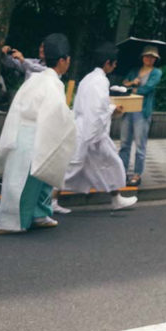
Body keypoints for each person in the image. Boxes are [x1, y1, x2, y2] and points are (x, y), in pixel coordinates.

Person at [0, 33, 77, 234]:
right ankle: (9, 223)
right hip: (35, 137)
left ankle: (37, 215)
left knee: (32, 180)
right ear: (63, 60)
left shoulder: (37, 79)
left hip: (22, 133)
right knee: (26, 183)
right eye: (68, 59)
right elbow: (56, 114)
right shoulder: (52, 83)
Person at [62, 43, 139, 211]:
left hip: (87, 129)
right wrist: (113, 109)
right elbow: (97, 110)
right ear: (107, 63)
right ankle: (49, 199)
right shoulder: (100, 82)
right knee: (77, 166)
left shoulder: (89, 78)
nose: (115, 65)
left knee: (104, 163)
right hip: (91, 131)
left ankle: (116, 197)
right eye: (114, 62)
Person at [119, 45, 162, 185]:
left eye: (152, 57)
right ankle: (122, 171)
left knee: (140, 144)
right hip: (128, 110)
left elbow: (148, 88)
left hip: (142, 112)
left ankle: (137, 174)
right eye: (146, 56)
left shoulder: (156, 72)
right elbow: (124, 84)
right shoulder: (134, 71)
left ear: (155, 59)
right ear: (142, 57)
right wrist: (132, 83)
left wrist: (132, 90)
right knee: (124, 143)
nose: (149, 59)